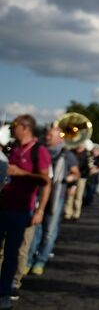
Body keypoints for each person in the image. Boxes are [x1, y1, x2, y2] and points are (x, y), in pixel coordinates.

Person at [0, 115, 51, 310]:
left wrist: (40, 210)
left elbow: (46, 182)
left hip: (21, 209)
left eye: (15, 126)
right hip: (3, 205)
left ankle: (4, 291)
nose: (12, 129)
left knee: (12, 253)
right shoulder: (12, 148)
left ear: (25, 127)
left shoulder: (39, 151)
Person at [26, 123, 80, 275]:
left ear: (59, 137)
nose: (47, 137)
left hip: (56, 196)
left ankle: (40, 261)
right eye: (47, 134)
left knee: (49, 231)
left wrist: (70, 179)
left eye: (51, 135)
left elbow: (76, 173)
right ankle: (29, 260)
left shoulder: (67, 154)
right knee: (34, 229)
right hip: (38, 194)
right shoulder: (40, 150)